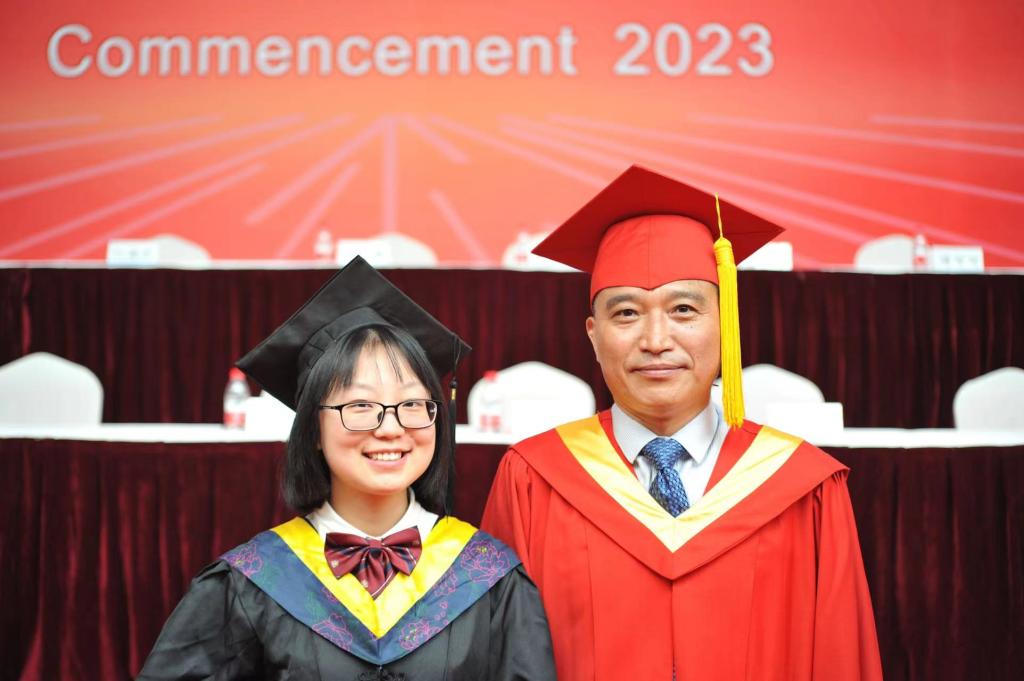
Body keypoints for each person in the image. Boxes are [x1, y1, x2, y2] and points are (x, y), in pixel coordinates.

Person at [481, 166, 884, 681]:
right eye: (627, 314)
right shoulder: (533, 479)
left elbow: (840, 659)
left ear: (727, 323)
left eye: (684, 310)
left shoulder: (806, 488)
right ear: (593, 335)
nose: (656, 340)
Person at [139, 256, 555, 681]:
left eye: (412, 404)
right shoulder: (257, 578)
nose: (390, 428)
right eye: (360, 405)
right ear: (313, 429)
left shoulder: (486, 576)